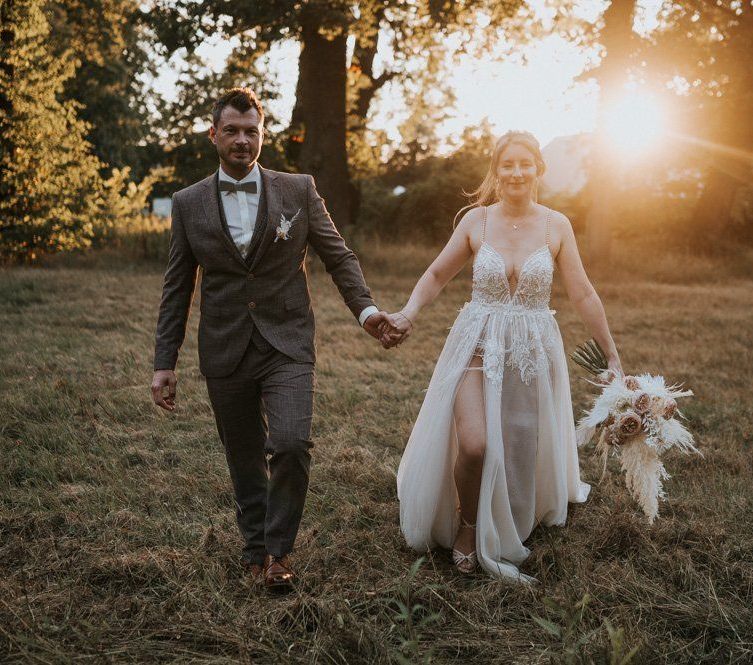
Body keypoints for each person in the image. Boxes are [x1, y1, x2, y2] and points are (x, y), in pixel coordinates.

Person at [150, 88, 398, 593]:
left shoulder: (298, 190)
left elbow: (338, 256)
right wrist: (164, 361)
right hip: (225, 347)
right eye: (233, 131)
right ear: (214, 134)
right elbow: (178, 286)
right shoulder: (188, 203)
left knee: (289, 442)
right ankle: (254, 549)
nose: (243, 140)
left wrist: (367, 310)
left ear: (262, 134)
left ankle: (279, 551)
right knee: (242, 454)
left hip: (286, 342)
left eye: (252, 131)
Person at [386, 131, 623, 583]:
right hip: (476, 344)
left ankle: (512, 517)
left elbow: (583, 292)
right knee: (475, 444)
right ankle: (469, 526)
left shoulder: (557, 226)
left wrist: (613, 356)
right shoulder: (476, 221)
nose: (516, 173)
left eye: (525, 164)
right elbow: (437, 272)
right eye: (507, 164)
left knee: (517, 446)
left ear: (538, 169)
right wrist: (409, 312)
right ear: (496, 170)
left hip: (532, 351)